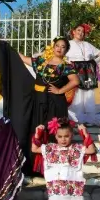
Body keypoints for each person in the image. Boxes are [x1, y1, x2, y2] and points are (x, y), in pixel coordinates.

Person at [31, 118, 97, 200]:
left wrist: (84, 132)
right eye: (60, 136)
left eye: (66, 136)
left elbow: (91, 150)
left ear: (71, 135)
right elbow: (34, 148)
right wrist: (38, 133)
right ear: (55, 136)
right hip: (56, 193)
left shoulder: (76, 149)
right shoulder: (50, 149)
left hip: (71, 193)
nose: (63, 139)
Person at [15, 37, 80, 174]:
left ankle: (53, 168)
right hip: (38, 101)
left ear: (66, 50)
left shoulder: (66, 66)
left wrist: (59, 90)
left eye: (63, 47)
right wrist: (9, 47)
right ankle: (35, 168)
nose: (59, 48)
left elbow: (75, 81)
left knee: (52, 132)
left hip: (55, 103)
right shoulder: (41, 61)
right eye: (57, 45)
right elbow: (23, 59)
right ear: (54, 46)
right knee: (37, 131)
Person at [66, 24, 100, 126]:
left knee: (88, 94)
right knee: (77, 94)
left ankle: (89, 119)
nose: (80, 33)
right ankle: (75, 119)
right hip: (75, 71)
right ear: (73, 32)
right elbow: (63, 57)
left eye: (83, 31)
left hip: (88, 72)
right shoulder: (68, 44)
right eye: (78, 30)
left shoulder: (88, 45)